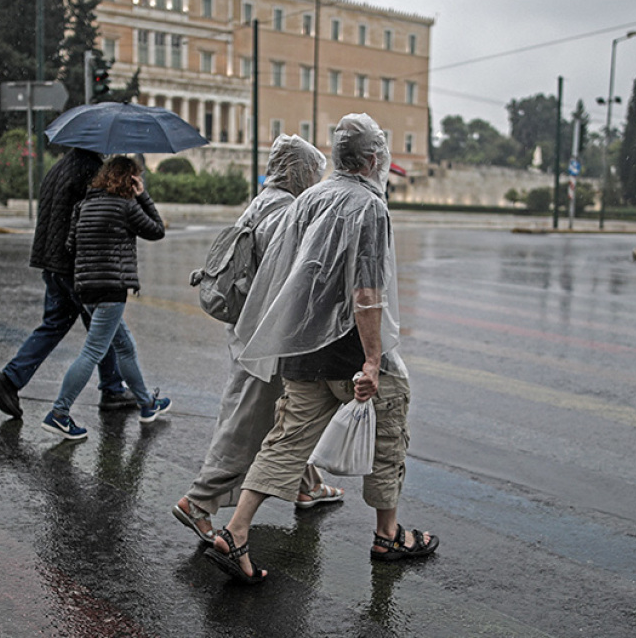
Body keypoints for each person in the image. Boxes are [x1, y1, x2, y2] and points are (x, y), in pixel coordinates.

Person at [204, 114, 436, 584]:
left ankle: (235, 530)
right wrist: (373, 360)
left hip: (303, 352)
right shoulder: (369, 207)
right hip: (353, 351)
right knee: (387, 435)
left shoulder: (309, 198)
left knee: (285, 443)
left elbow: (289, 273)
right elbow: (367, 292)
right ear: (373, 159)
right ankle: (387, 535)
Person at [172, 135, 339, 544]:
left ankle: (308, 483)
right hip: (267, 336)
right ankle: (198, 501)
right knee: (249, 421)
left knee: (289, 412)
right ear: (299, 172)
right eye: (313, 173)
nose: (316, 181)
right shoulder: (287, 213)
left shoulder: (262, 201)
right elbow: (291, 280)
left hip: (250, 329)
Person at [0, 148, 138, 419]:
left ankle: (9, 380)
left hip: (52, 262)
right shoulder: (90, 171)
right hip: (75, 266)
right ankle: (112, 390)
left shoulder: (60, 166)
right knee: (105, 326)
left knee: (55, 324)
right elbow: (97, 217)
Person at [42, 156, 171, 440]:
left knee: (124, 346)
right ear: (130, 179)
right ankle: (59, 413)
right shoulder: (125, 207)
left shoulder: (83, 206)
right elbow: (157, 230)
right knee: (93, 352)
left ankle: (147, 404)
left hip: (86, 289)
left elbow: (70, 244)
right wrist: (143, 195)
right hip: (112, 289)